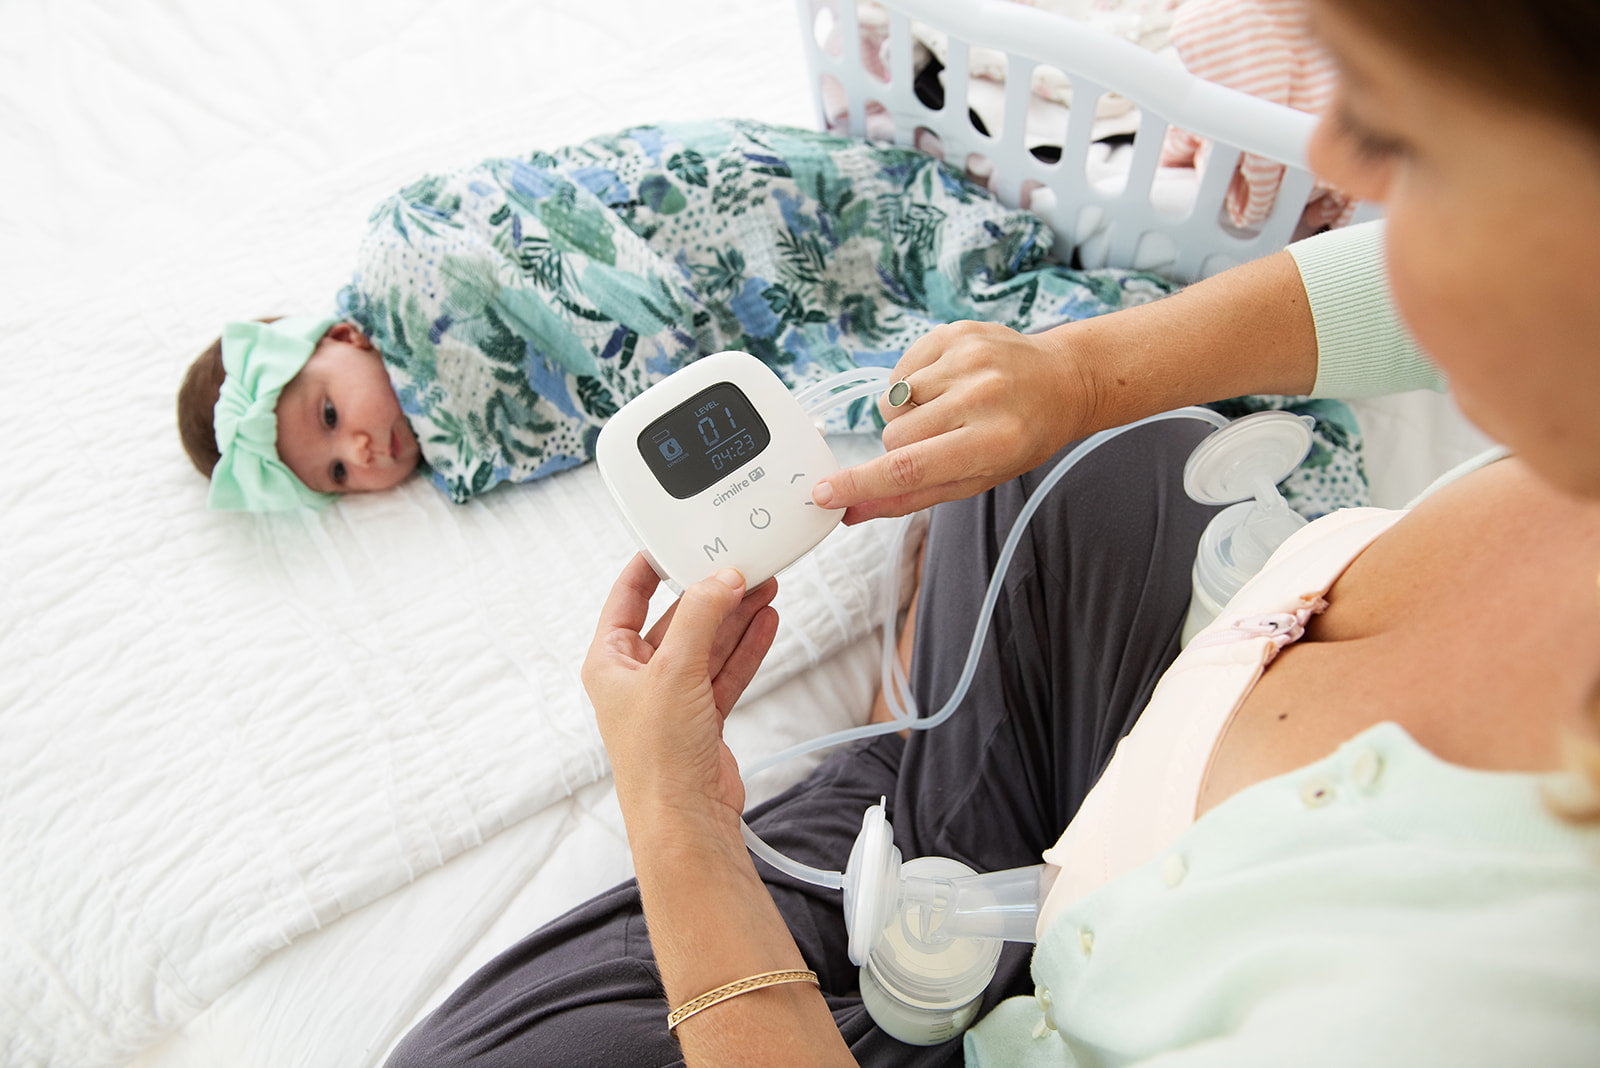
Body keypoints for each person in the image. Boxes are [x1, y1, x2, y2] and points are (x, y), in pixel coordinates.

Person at [385, 0, 1600, 1063]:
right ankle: (924, 800)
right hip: (1135, 767)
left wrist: (676, 821)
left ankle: (900, 811)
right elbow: (1403, 284)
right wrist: (1079, 376)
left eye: (1407, 138)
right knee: (1073, 462)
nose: (1334, 157)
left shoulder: (1485, 989)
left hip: (1038, 971)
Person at [178, 119, 1213, 511]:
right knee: (919, 372)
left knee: (881, 249)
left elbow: (535, 235)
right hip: (741, 329)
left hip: (713, 219)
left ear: (341, 337)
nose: (362, 448)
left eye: (327, 419)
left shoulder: (407, 255)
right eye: (338, 475)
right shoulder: (466, 456)